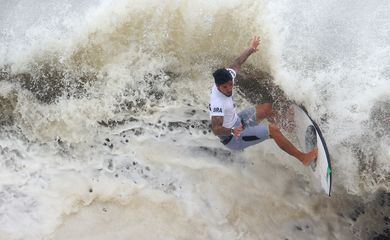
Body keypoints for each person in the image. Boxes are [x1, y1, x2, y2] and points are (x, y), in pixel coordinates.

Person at [209, 36, 317, 166]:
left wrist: (251, 49)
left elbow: (237, 62)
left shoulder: (228, 76)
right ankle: (303, 158)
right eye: (224, 87)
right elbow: (216, 129)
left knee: (267, 108)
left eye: (230, 85)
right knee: (273, 131)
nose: (228, 89)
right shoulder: (217, 103)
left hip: (238, 120)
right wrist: (233, 131)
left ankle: (287, 126)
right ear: (217, 85)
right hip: (234, 138)